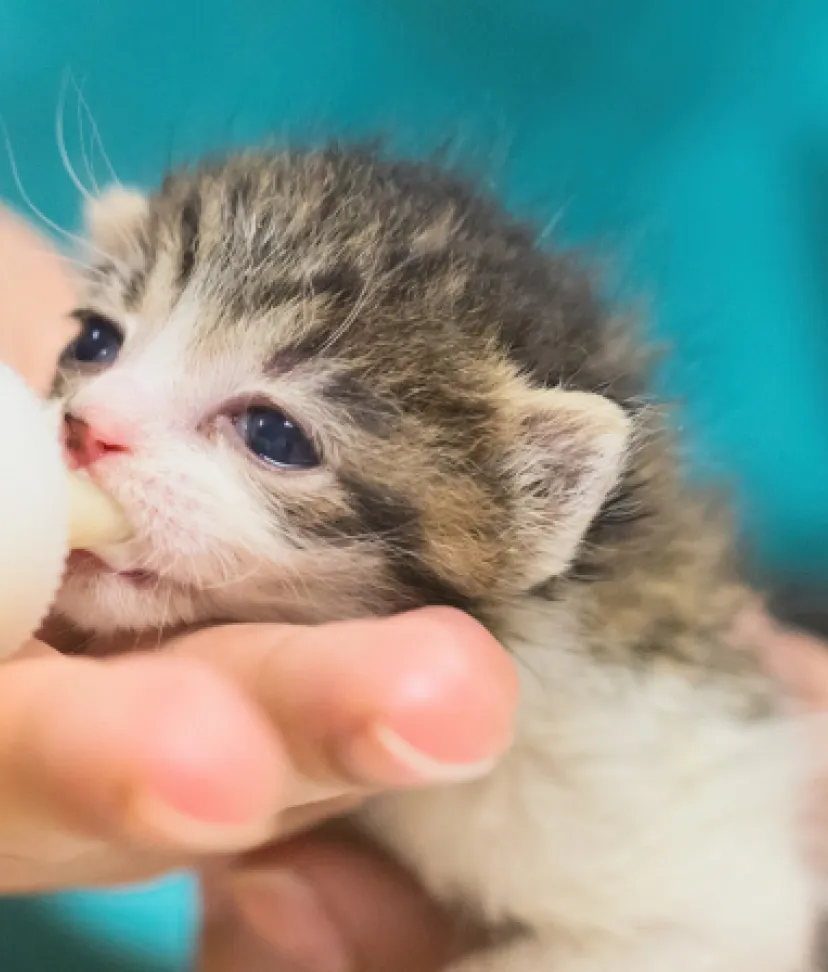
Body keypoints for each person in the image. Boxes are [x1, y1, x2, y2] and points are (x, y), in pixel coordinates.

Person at [0, 206, 824, 972]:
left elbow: (715, 926)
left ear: (522, 508)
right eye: (102, 339)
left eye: (274, 435)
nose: (98, 414)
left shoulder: (605, 769)